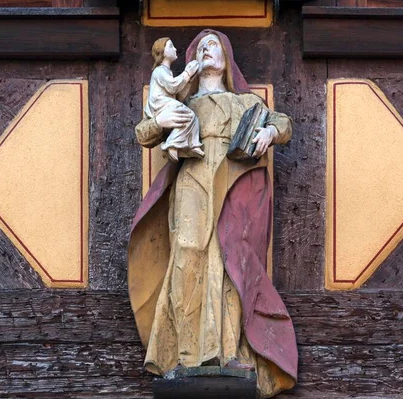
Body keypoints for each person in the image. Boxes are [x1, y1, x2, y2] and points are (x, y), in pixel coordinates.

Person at [128, 29, 298, 398]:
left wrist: (269, 131)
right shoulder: (183, 103)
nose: (207, 51)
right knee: (188, 255)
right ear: (193, 58)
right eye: (201, 46)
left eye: (214, 46)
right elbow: (144, 132)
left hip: (233, 183)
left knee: (229, 260)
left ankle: (228, 351)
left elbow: (283, 124)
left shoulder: (244, 102)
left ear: (226, 58)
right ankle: (187, 355)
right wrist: (163, 123)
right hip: (192, 180)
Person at [146, 37, 203, 162]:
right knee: (187, 115)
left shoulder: (166, 71)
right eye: (171, 46)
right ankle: (172, 144)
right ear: (162, 52)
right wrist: (187, 73)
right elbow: (172, 87)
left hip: (167, 103)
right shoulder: (159, 71)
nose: (175, 49)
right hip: (160, 104)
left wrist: (189, 78)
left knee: (190, 117)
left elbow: (177, 94)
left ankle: (193, 144)